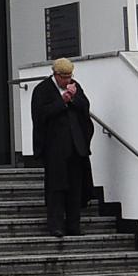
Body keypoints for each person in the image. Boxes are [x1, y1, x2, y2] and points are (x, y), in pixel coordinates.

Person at [30, 57, 95, 238]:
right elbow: (40, 115)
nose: (67, 81)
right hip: (54, 149)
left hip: (76, 147)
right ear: (55, 74)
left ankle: (74, 225)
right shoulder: (42, 90)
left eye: (69, 77)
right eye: (63, 77)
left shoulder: (75, 86)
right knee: (57, 188)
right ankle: (56, 225)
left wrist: (73, 98)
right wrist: (62, 101)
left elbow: (85, 106)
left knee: (75, 187)